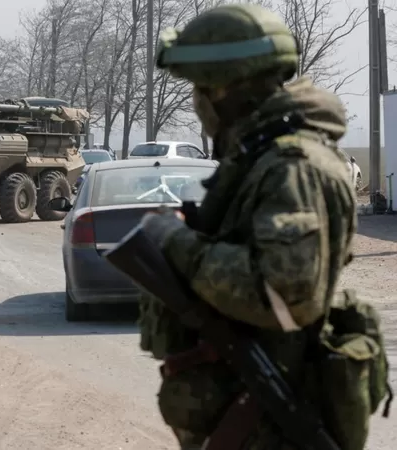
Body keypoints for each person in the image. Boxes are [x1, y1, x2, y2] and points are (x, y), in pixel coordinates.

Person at [134, 4, 361, 449]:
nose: (196, 101)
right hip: (247, 419)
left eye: (200, 87)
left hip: (270, 426)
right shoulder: (260, 159)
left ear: (226, 88)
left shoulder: (291, 167)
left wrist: (176, 242)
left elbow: (282, 295)